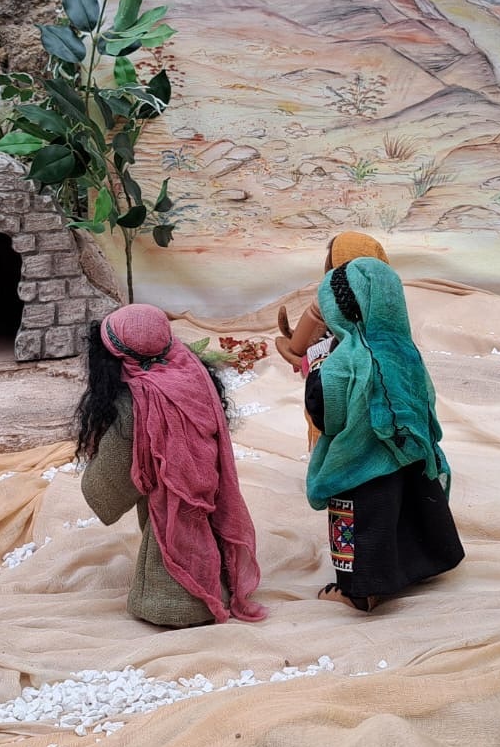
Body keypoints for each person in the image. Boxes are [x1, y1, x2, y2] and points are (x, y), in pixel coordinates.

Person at [76, 304, 268, 628]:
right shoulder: (193, 373)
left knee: (170, 531)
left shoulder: (137, 403)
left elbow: (110, 486)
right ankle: (217, 583)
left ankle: (176, 602)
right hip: (208, 488)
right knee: (200, 526)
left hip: (171, 510)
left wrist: (94, 481)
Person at [305, 257, 463, 612]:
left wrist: (316, 372)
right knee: (415, 511)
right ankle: (424, 563)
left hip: (360, 465)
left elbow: (329, 418)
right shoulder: (406, 350)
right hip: (413, 455)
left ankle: (359, 589)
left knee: (364, 524)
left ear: (341, 310)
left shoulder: (343, 361)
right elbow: (426, 400)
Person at [275, 231, 390, 449]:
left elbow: (298, 347)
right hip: (382, 395)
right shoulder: (388, 300)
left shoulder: (331, 298)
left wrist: (296, 351)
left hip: (333, 389)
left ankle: (328, 461)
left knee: (328, 428)